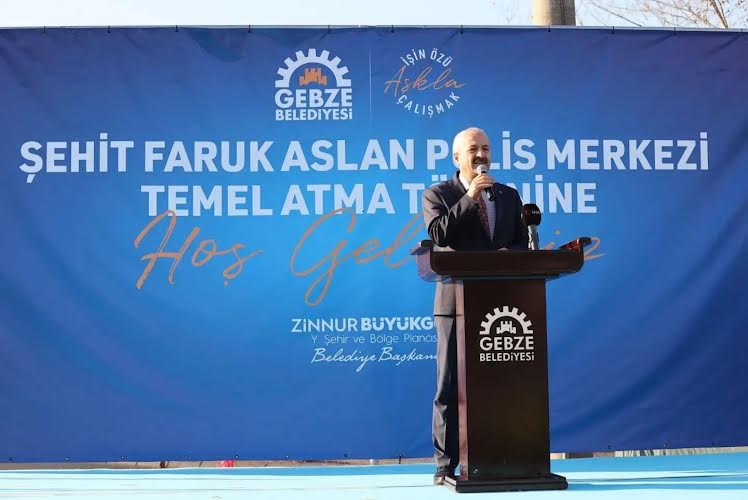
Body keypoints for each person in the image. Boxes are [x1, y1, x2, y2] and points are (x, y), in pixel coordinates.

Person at [421, 127, 529, 485]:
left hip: (501, 305)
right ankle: (445, 464)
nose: (481, 154)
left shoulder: (509, 196)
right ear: (457, 157)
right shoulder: (437, 194)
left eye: (486, 148)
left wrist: (508, 255)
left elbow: (521, 244)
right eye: (473, 149)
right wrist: (470, 196)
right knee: (449, 384)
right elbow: (439, 235)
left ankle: (503, 455)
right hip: (455, 304)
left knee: (502, 382)